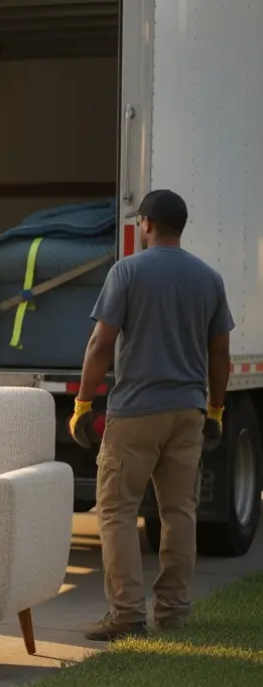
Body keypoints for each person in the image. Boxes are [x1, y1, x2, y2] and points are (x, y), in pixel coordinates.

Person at [70, 189, 234, 642]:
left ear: (145, 224)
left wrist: (82, 404)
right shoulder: (209, 278)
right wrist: (215, 410)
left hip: (136, 413)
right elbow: (221, 353)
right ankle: (173, 612)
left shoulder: (127, 272)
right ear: (181, 226)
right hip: (188, 412)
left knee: (117, 509)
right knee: (179, 512)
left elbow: (100, 344)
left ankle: (127, 615)